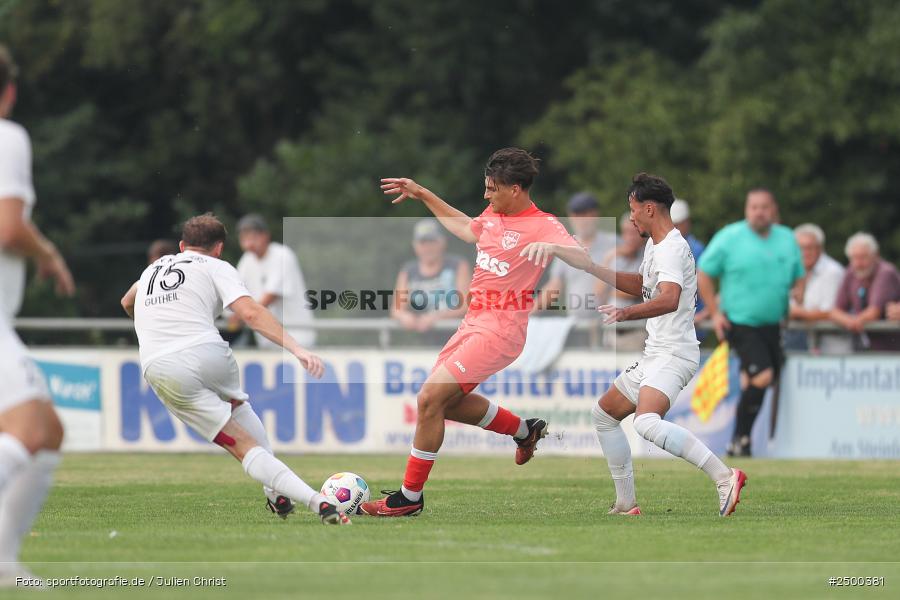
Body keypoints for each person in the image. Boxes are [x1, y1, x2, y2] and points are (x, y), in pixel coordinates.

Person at [360, 147, 585, 517]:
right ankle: (524, 430)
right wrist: (422, 193)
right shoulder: (495, 213)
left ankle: (409, 498)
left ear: (515, 189)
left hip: (500, 330)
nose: (486, 195)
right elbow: (467, 229)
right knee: (444, 403)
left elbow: (582, 258)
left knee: (429, 399)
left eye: (492, 189)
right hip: (472, 324)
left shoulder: (543, 223)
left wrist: (556, 247)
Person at [520, 172, 746, 517]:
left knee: (645, 423)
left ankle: (725, 476)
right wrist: (593, 267)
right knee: (605, 414)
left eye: (633, 209)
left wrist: (626, 315)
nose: (631, 217)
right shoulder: (657, 245)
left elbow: (670, 299)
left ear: (650, 208)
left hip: (673, 354)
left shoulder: (671, 247)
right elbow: (644, 285)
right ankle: (626, 503)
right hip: (656, 352)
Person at [121, 214, 349, 525]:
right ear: (218, 248)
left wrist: (149, 324)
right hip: (208, 352)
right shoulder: (217, 265)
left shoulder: (152, 269)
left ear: (182, 245)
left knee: (243, 446)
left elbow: (127, 301)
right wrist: (297, 349)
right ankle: (280, 494)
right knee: (241, 413)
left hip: (161, 365)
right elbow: (252, 313)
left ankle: (314, 501)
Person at [0, 44, 77, 585]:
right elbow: (8, 228)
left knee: (46, 430)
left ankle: (2, 562)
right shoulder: (7, 136)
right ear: (9, 90)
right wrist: (48, 253)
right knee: (31, 427)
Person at [698, 188, 804, 457]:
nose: (759, 212)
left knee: (754, 381)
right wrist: (715, 312)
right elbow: (705, 274)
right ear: (747, 210)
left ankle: (738, 443)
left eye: (764, 207)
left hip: (773, 324)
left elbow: (799, 274)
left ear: (774, 210)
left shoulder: (787, 238)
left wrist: (799, 290)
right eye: (753, 207)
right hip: (741, 321)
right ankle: (741, 439)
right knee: (763, 375)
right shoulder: (730, 237)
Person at [233, 214, 315, 349]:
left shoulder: (282, 255)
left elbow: (270, 296)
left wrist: (241, 315)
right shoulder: (247, 260)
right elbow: (236, 291)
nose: (248, 243)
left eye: (253, 237)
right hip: (268, 340)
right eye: (244, 238)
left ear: (265, 236)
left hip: (297, 337)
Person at [391, 218, 470, 344]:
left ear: (442, 242)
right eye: (423, 242)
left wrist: (435, 318)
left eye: (432, 241)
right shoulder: (408, 271)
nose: (427, 247)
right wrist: (404, 317)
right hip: (420, 343)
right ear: (415, 245)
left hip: (457, 341)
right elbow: (397, 309)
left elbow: (465, 305)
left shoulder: (458, 266)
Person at [539, 192, 616, 318]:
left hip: (608, 323)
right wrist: (527, 313)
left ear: (595, 214)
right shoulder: (565, 247)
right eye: (575, 214)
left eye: (584, 214)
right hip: (576, 325)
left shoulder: (613, 243)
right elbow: (554, 287)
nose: (580, 220)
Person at [830, 233, 900, 351]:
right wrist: (851, 322)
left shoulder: (886, 272)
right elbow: (834, 311)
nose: (858, 263)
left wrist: (855, 322)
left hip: (892, 348)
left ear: (875, 255)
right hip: (871, 347)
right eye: (854, 258)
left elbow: (874, 312)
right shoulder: (851, 271)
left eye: (863, 257)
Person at [787, 224, 847, 353]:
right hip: (803, 346)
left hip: (831, 349)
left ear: (820, 249)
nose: (804, 253)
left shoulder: (832, 272)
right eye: (799, 248)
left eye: (809, 248)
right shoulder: (793, 271)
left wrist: (796, 313)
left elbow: (831, 312)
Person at [597, 212, 646, 350]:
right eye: (626, 232)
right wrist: (609, 258)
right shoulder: (615, 256)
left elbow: (639, 290)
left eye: (633, 232)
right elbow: (598, 292)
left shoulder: (648, 255)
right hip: (611, 332)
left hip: (636, 332)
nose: (630, 237)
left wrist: (611, 292)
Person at [670, 198, 708, 324]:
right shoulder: (666, 246)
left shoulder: (697, 249)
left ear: (687, 223)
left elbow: (703, 283)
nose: (674, 229)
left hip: (692, 319)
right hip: (675, 319)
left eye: (678, 224)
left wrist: (703, 314)